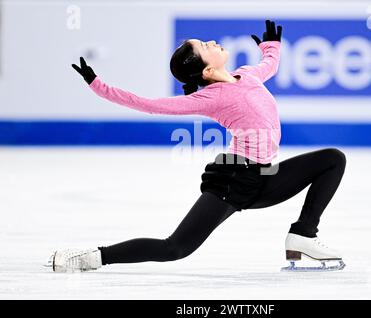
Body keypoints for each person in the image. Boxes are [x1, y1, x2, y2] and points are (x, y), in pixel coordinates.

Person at [47, 20, 346, 272]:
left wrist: (272, 47)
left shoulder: (248, 74)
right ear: (205, 72)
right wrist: (99, 86)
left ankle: (303, 235)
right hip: (235, 179)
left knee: (333, 159)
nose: (213, 42)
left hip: (266, 176)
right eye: (205, 46)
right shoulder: (210, 98)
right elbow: (149, 105)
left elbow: (269, 65)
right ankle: (88, 258)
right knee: (176, 247)